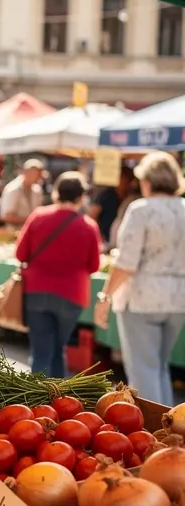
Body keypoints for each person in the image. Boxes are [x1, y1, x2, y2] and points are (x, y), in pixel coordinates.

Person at [95, 151, 185, 404]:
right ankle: (170, 429)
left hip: (142, 297)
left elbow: (126, 263)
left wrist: (105, 296)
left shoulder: (141, 210)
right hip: (178, 298)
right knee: (159, 367)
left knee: (144, 370)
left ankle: (153, 432)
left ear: (147, 180)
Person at [14, 173, 101, 379]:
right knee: (58, 348)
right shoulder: (88, 226)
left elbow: (20, 254)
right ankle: (57, 401)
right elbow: (94, 266)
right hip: (71, 296)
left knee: (41, 350)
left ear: (56, 193)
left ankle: (36, 401)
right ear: (81, 197)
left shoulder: (38, 216)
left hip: (36, 291)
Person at [0, 158, 45, 225]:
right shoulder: (13, 189)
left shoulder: (37, 190)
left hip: (32, 230)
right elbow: (6, 216)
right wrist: (31, 220)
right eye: (38, 175)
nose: (39, 178)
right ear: (28, 173)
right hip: (14, 232)